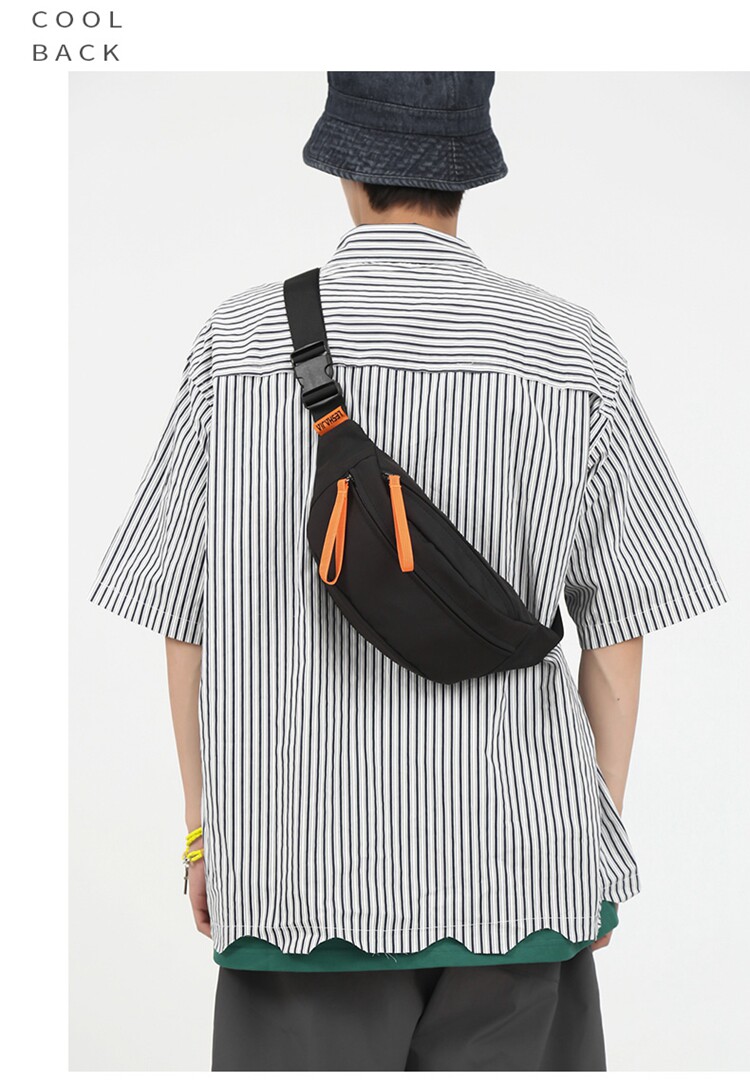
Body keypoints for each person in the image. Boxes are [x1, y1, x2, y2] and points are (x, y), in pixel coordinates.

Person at [88, 72, 729, 1072]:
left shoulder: (239, 344)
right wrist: (591, 839)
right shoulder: (571, 351)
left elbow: (185, 618)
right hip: (520, 879)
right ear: (470, 174)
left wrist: (202, 833)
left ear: (343, 168)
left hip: (297, 886)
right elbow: (622, 626)